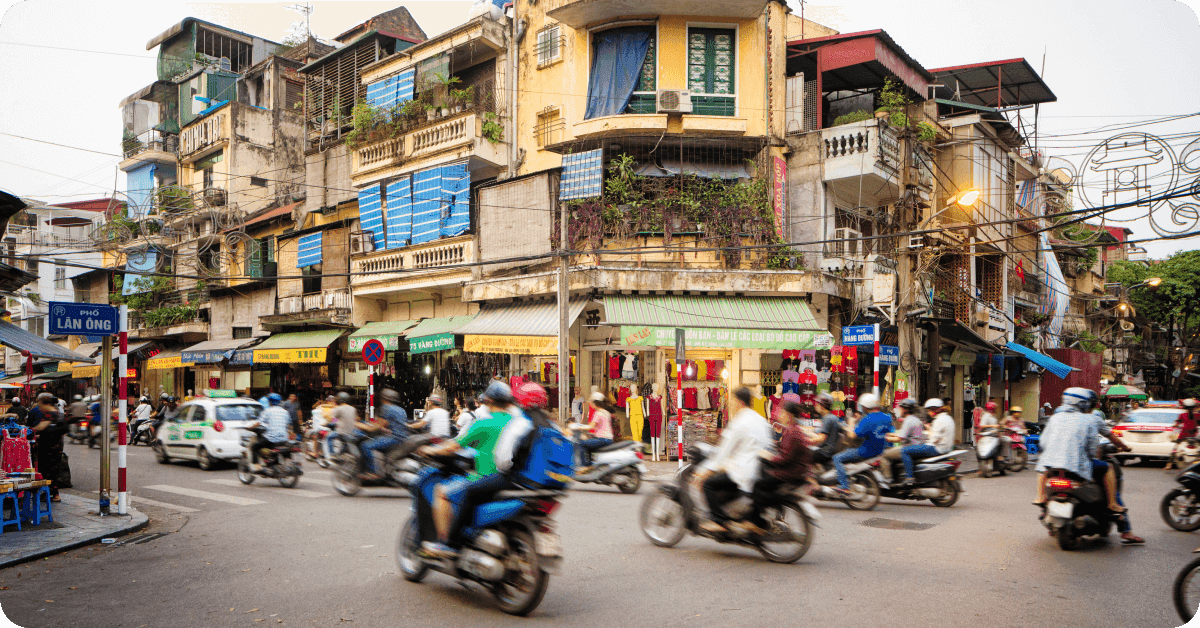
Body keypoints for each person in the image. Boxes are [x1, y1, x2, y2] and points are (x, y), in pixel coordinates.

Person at [417, 381, 532, 558]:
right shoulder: (518, 423)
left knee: (441, 491)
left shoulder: (483, 424)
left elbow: (453, 446)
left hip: (487, 477)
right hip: (513, 478)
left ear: (489, 401)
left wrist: (429, 450)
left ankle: (444, 543)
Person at [691, 386, 772, 534]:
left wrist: (706, 471)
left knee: (708, 484)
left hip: (742, 471)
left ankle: (719, 521)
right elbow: (767, 444)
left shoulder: (740, 422)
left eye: (733, 401)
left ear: (739, 402)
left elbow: (724, 451)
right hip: (758, 469)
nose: (732, 404)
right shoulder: (760, 419)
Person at [1034, 388, 1115, 510]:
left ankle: (1040, 497)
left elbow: (1043, 443)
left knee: (1042, 468)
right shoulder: (1088, 419)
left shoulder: (1054, 418)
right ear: (1082, 403)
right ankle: (1112, 504)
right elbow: (1093, 448)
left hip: (1051, 465)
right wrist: (1091, 457)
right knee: (1108, 467)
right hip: (1076, 467)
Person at [743, 401, 812, 534]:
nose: (779, 414)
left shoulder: (792, 432)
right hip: (795, 470)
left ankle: (757, 522)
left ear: (789, 415)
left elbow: (785, 458)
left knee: (757, 485)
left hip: (790, 472)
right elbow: (785, 451)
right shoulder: (793, 429)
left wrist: (769, 456)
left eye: (781, 412)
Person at [831, 393, 893, 494]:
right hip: (881, 450)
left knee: (837, 458)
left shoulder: (867, 419)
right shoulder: (887, 417)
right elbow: (890, 433)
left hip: (866, 451)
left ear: (865, 407)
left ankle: (844, 486)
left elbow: (852, 435)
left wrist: (851, 422)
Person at [897, 399, 956, 484]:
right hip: (946, 448)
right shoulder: (948, 418)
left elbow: (934, 440)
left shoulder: (939, 420)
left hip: (937, 448)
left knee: (904, 451)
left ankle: (909, 477)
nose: (928, 413)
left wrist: (928, 431)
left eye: (929, 410)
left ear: (934, 409)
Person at [359, 389, 410, 480]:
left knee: (365, 445)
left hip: (394, 438)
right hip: (402, 438)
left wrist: (357, 424)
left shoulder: (386, 408)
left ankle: (372, 472)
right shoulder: (401, 410)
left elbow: (373, 427)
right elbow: (390, 423)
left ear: (384, 398)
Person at [28, 395, 66, 501]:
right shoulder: (58, 413)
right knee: (53, 471)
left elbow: (41, 427)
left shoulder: (50, 414)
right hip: (56, 446)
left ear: (46, 404)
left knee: (46, 470)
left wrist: (29, 430)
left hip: (49, 447)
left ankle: (49, 493)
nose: (40, 407)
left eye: (40, 405)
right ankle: (54, 494)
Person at [882, 398, 924, 481]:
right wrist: (889, 434)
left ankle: (888, 479)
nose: (898, 410)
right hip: (917, 446)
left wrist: (885, 438)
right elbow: (903, 434)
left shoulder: (908, 421)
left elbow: (899, 439)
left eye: (900, 408)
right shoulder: (915, 419)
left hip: (909, 447)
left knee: (883, 455)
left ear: (905, 410)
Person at [248, 393, 292, 469]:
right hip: (284, 438)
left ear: (270, 402)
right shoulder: (285, 412)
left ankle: (257, 466)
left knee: (254, 447)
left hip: (272, 438)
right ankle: (272, 462)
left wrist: (250, 427)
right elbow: (289, 426)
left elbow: (258, 423)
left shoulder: (268, 411)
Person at [575, 392, 614, 470]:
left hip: (603, 439)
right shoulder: (606, 412)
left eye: (591, 402)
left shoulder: (598, 413)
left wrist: (577, 426)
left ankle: (584, 467)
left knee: (581, 444)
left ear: (595, 403)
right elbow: (600, 427)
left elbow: (591, 426)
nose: (590, 404)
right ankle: (590, 466)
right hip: (608, 439)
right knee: (587, 444)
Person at [808, 392, 841, 467]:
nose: (815, 406)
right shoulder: (832, 417)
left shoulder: (827, 418)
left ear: (823, 405)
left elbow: (821, 438)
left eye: (817, 404)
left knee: (801, 455)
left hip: (824, 453)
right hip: (829, 451)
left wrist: (805, 441)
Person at [1168, 399, 1200, 469]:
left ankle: (1169, 464)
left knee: (1175, 448)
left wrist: (1175, 426)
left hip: (1184, 434)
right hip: (1194, 435)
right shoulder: (1198, 415)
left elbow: (1177, 423)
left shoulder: (1182, 415)